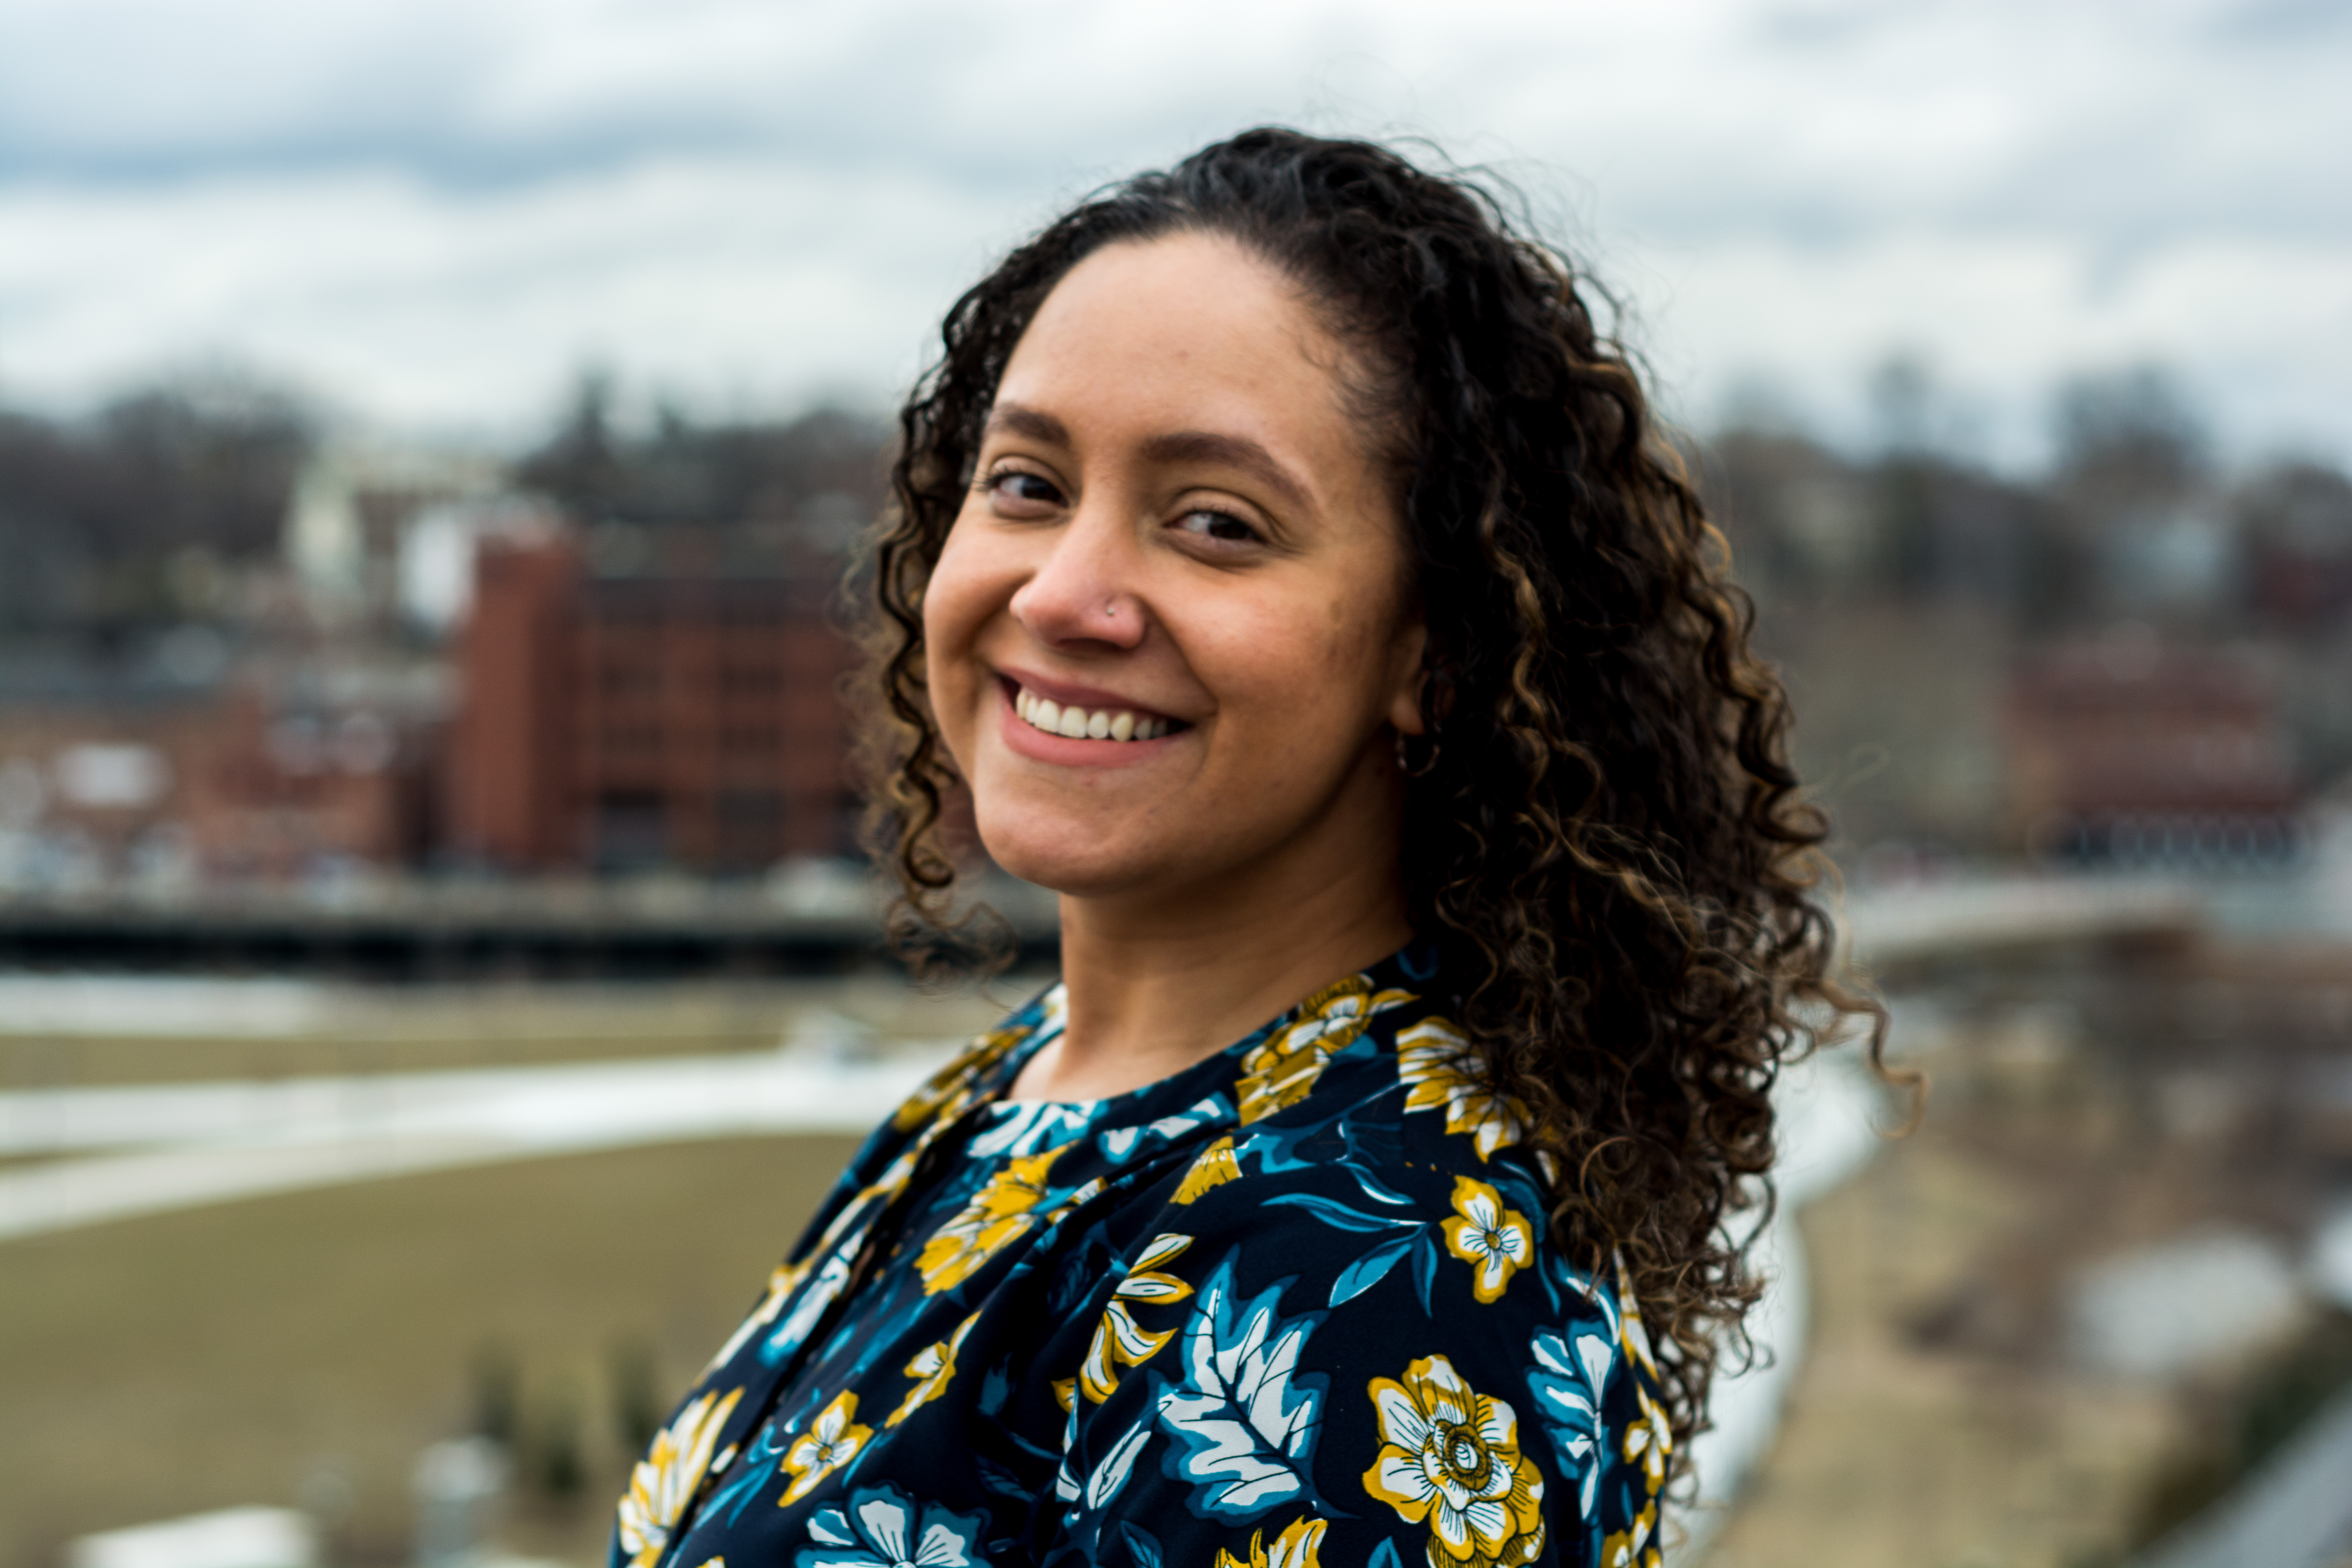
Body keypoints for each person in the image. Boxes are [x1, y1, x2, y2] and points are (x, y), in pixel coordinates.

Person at [610, 128, 1866, 1568]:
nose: (1064, 593)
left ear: (1438, 653)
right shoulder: (1040, 1084)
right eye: (1026, 483)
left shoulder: (1375, 1290)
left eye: (1216, 523)